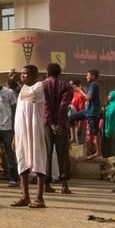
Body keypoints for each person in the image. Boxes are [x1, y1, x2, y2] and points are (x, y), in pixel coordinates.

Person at [11, 65, 49, 208]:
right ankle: (25, 197)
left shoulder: (39, 86)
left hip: (34, 130)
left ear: (34, 75)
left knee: (38, 160)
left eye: (25, 74)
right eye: (22, 74)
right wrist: (16, 136)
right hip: (21, 131)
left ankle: (39, 198)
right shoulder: (22, 89)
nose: (22, 76)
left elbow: (31, 96)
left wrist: (19, 83)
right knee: (22, 161)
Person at [43, 63, 74, 194]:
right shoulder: (66, 85)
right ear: (59, 73)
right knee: (63, 154)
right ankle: (64, 185)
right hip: (61, 123)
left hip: (46, 123)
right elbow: (63, 105)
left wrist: (51, 123)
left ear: (47, 73)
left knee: (46, 153)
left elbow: (46, 105)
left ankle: (46, 184)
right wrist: (59, 123)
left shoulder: (42, 85)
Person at [69, 70, 101, 157]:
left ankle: (99, 152)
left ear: (93, 76)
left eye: (88, 75)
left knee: (95, 131)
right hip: (87, 111)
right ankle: (73, 138)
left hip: (92, 112)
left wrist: (80, 91)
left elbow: (88, 97)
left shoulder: (94, 84)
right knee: (71, 118)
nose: (86, 77)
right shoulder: (91, 85)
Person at [104, 91, 115, 163]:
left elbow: (112, 114)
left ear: (114, 96)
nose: (108, 96)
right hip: (108, 127)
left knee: (114, 144)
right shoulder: (110, 105)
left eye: (110, 95)